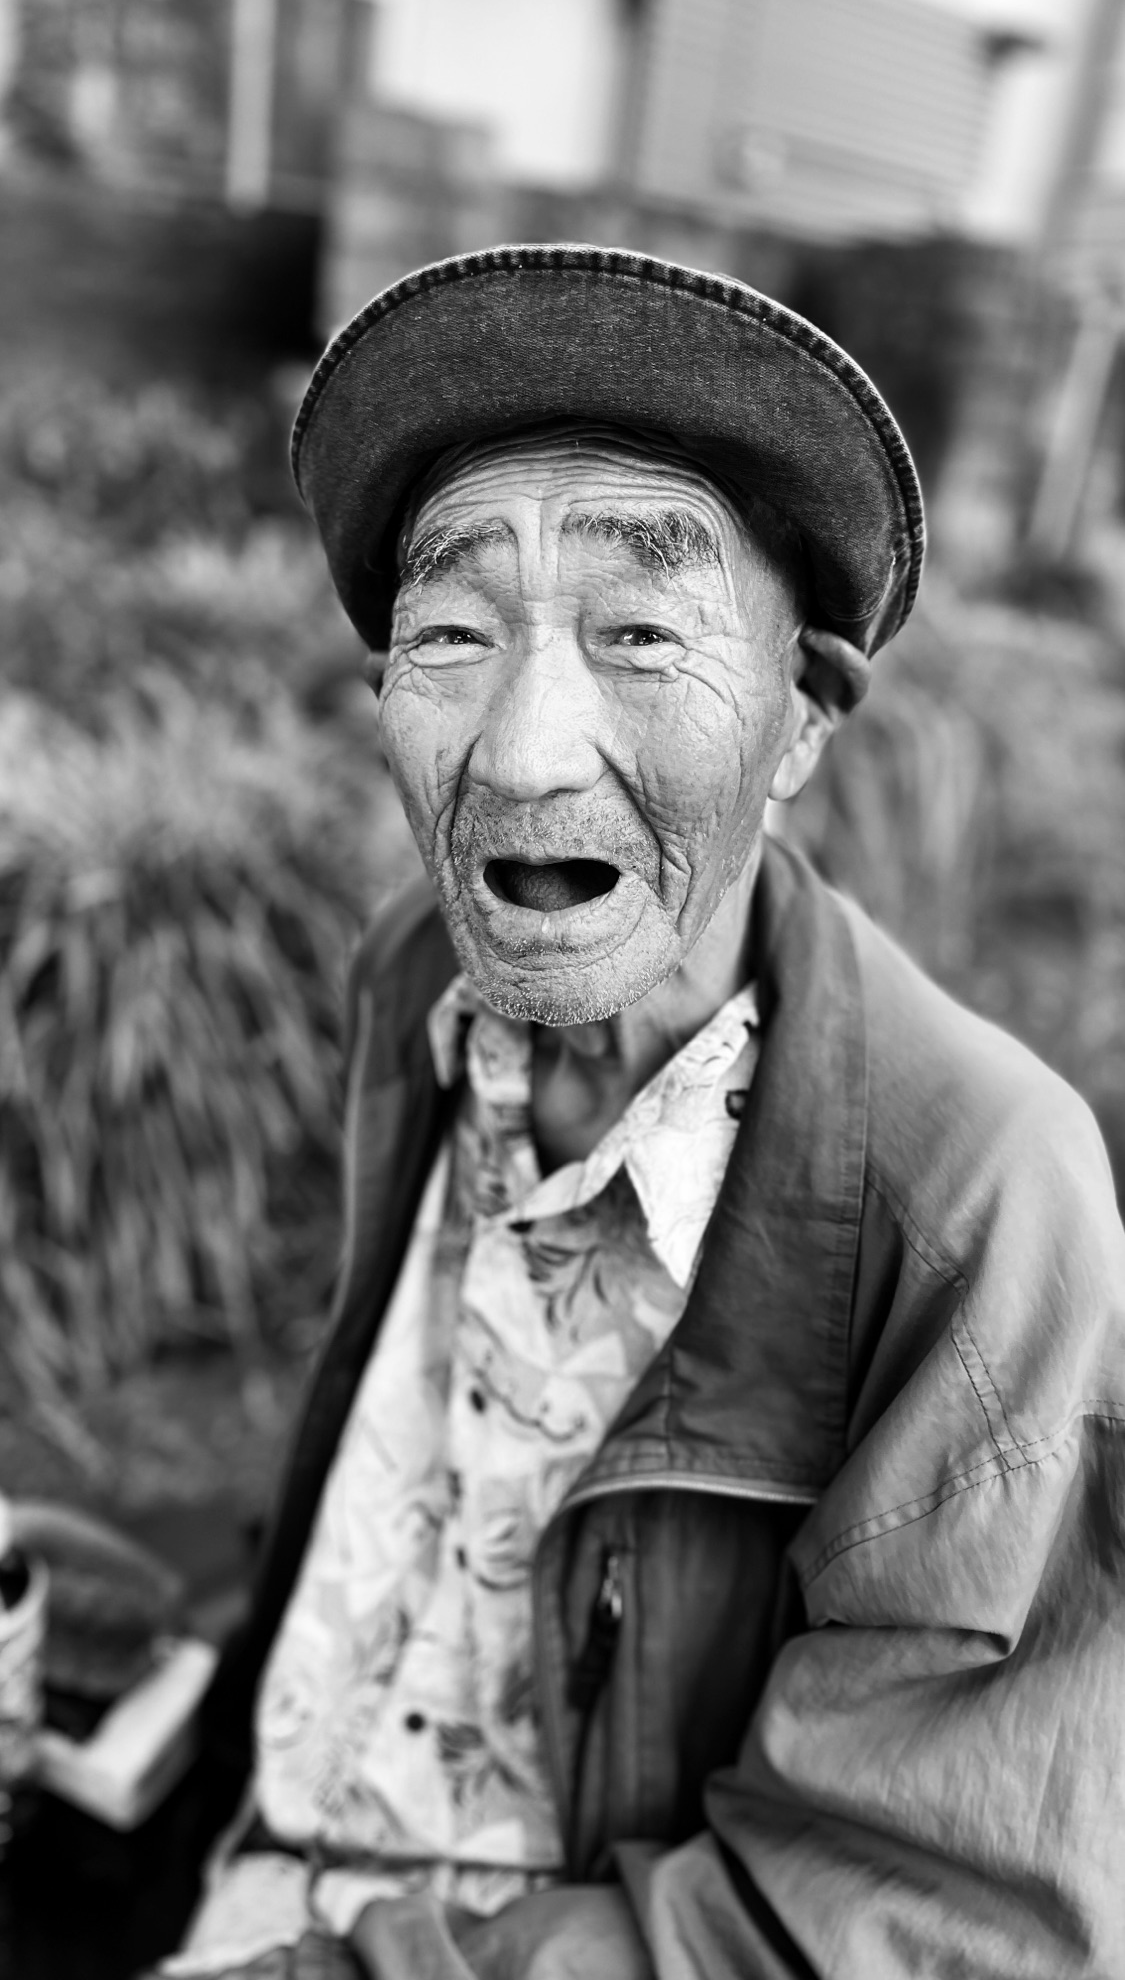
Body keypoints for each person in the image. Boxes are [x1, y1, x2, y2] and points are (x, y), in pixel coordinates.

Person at [167, 247, 1125, 1979]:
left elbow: (920, 1916)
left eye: (639, 636)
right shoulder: (420, 981)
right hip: (258, 1839)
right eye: (451, 634)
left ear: (799, 725)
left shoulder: (982, 1203)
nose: (524, 754)